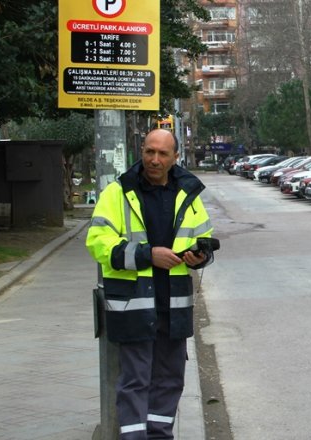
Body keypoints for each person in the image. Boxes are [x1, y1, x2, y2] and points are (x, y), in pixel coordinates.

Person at [86, 129, 214, 439]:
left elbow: (203, 239)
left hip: (174, 304)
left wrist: (201, 255)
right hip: (134, 302)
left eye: (162, 154)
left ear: (175, 158)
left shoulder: (188, 193)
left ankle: (160, 434)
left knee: (170, 379)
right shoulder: (117, 192)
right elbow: (98, 243)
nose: (154, 159)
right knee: (135, 380)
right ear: (141, 151)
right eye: (149, 152)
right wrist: (148, 255)